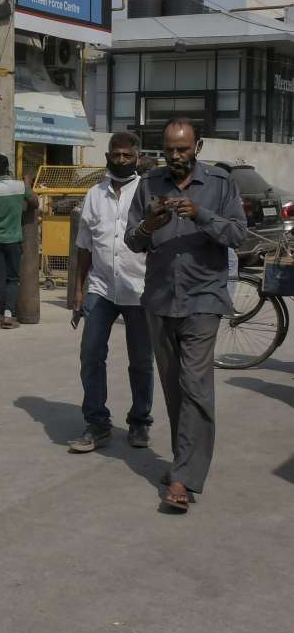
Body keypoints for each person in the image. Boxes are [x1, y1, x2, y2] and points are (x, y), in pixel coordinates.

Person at [124, 117, 246, 511]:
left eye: (183, 149)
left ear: (198, 147)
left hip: (203, 299)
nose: (176, 156)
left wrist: (200, 214)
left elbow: (238, 235)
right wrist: (149, 224)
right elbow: (132, 240)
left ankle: (183, 480)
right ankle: (183, 461)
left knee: (195, 385)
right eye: (169, 149)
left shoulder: (220, 184)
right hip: (160, 300)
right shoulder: (149, 183)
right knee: (174, 388)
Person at [67, 132, 153, 453]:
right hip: (101, 289)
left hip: (139, 289)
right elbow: (84, 247)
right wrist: (78, 291)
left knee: (141, 360)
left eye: (127, 155)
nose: (121, 160)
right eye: (116, 155)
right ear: (107, 156)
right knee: (90, 354)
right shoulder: (94, 195)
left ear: (137, 157)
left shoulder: (147, 193)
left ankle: (140, 421)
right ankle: (97, 424)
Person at [0, 153, 40, 329]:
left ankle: (1, 314)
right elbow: (35, 203)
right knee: (12, 278)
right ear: (7, 168)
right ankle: (8, 315)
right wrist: (26, 186)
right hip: (13, 240)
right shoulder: (20, 186)